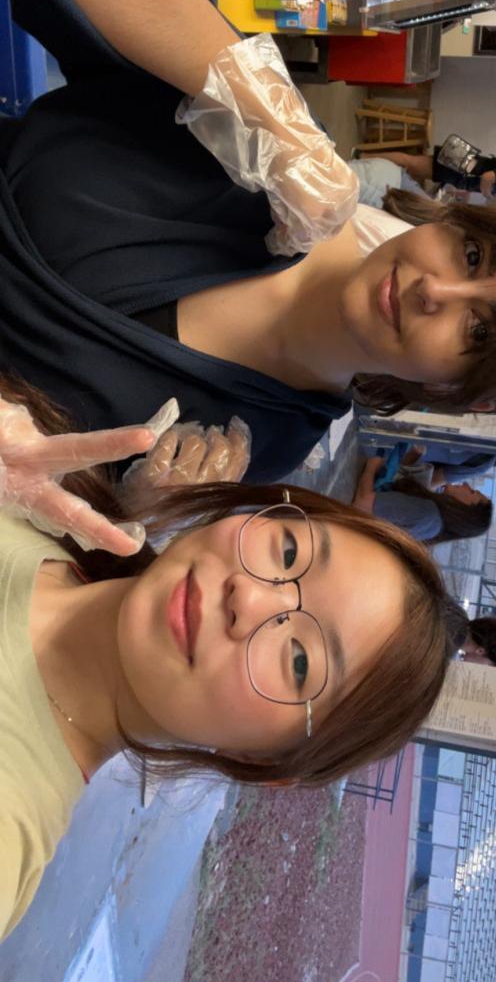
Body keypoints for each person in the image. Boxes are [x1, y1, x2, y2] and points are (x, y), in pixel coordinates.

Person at [0, 0, 496, 487]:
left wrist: (129, 507)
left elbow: (38, 499)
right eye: (473, 255)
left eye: (480, 330)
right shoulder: (264, 157)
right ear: (455, 220)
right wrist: (271, 117)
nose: (435, 289)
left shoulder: (259, 444)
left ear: (464, 392)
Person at [0, 378, 456, 940]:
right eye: (288, 550)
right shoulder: (38, 484)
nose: (251, 598)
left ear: (265, 760)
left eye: (298, 661)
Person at [353, 454, 493, 544]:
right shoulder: (433, 525)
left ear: (466, 509)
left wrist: (371, 466)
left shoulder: (428, 514)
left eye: (472, 492)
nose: (466, 485)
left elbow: (362, 503)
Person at [381, 141, 496, 202]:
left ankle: (371, 160)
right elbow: (487, 177)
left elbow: (495, 190)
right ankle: (367, 156)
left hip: (454, 170)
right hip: (453, 168)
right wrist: (486, 194)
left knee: (409, 166)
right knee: (408, 162)